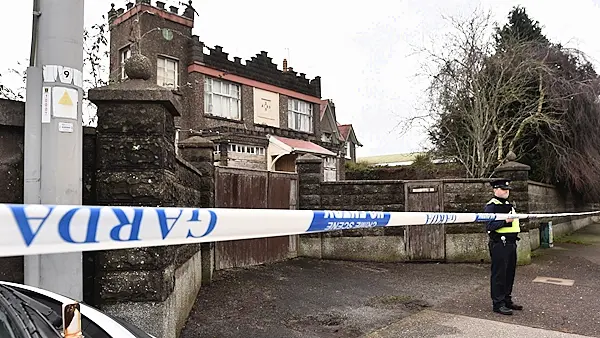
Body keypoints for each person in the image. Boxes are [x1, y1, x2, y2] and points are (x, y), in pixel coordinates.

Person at [483, 178, 524, 315]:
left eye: (507, 189)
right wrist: (506, 221)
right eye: (503, 189)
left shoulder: (508, 204)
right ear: (495, 190)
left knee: (509, 273)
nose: (506, 191)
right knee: (499, 274)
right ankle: (498, 303)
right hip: (500, 243)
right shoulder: (492, 205)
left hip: (511, 243)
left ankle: (506, 300)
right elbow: (489, 226)